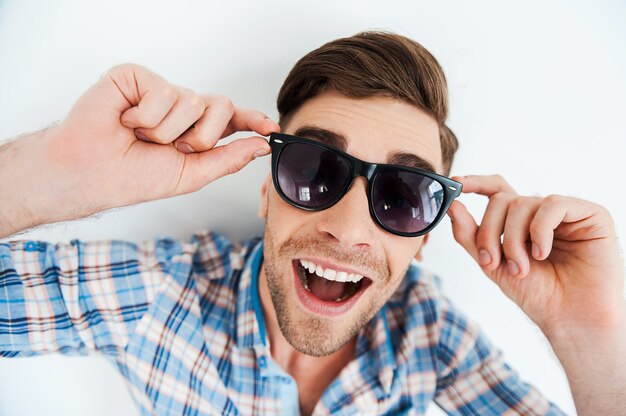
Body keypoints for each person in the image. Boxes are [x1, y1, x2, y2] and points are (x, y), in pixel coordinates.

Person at [0, 31, 624, 416]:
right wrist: (45, 178)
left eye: (404, 196)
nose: (349, 230)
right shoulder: (161, 297)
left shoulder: (427, 334)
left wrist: (592, 333)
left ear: (424, 239)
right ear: (268, 193)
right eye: (313, 167)